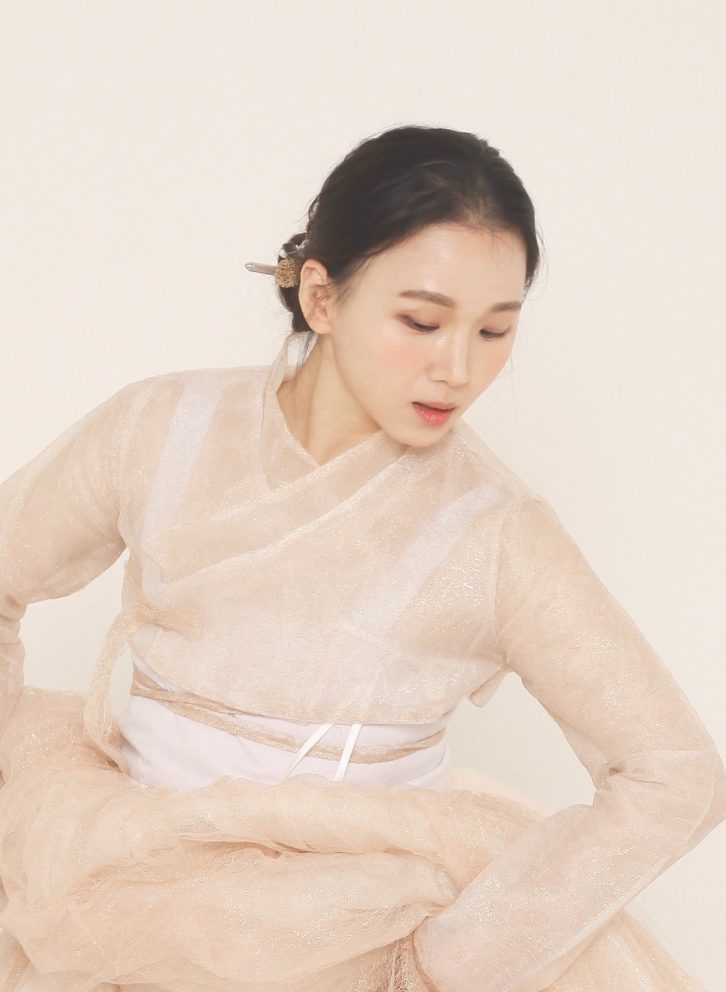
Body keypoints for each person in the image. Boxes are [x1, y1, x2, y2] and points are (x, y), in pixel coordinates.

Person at [0, 124, 723, 992]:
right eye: (421, 320)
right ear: (321, 296)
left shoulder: (497, 532)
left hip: (358, 941)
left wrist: (454, 961)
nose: (456, 369)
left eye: (495, 332)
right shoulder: (163, 430)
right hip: (119, 899)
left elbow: (674, 772)